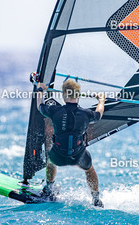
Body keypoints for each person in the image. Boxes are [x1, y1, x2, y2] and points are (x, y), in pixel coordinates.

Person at [36, 78, 105, 207]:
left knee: (50, 161)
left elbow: (40, 106)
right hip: (78, 155)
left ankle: (49, 189)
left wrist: (40, 89)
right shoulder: (86, 114)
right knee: (89, 170)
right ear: (78, 95)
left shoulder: (55, 110)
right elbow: (99, 114)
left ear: (63, 95)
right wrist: (101, 100)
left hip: (58, 155)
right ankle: (96, 199)